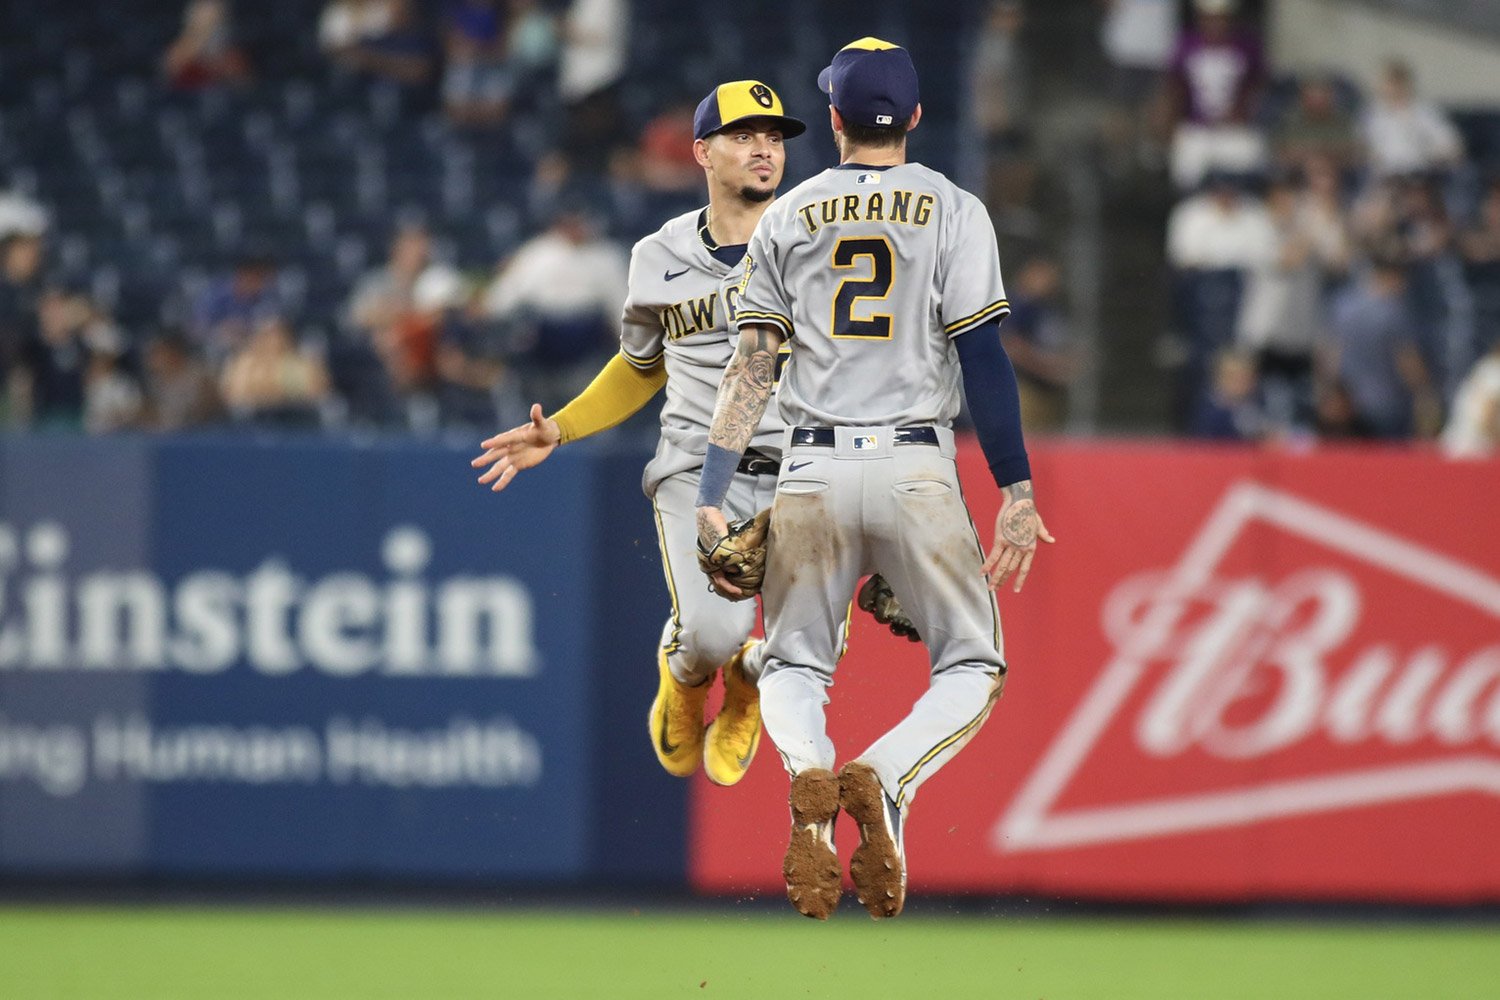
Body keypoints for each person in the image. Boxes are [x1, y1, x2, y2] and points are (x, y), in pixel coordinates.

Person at [694, 38, 1052, 921]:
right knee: (972, 661)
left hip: (809, 469)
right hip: (916, 464)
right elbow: (984, 356)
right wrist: (1015, 489)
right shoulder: (954, 207)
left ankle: (812, 778)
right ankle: (884, 781)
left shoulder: (788, 214)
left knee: (793, 662)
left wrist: (711, 490)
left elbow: (751, 366)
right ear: (917, 119)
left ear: (838, 121)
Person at [471, 81, 808, 790]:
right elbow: (638, 366)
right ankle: (687, 675)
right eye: (744, 135)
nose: (762, 149)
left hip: (799, 473)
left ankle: (745, 687)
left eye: (774, 137)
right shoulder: (658, 253)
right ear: (702, 153)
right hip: (696, 465)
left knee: (800, 655)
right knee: (713, 634)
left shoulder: (817, 243)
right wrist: (559, 428)